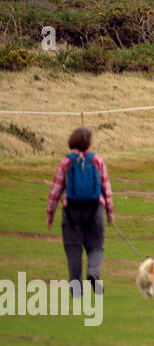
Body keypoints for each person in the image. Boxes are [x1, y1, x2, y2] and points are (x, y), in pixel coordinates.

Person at [46, 127, 114, 296]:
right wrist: (109, 212)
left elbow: (56, 190)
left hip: (71, 210)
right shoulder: (97, 160)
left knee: (73, 249)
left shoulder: (66, 161)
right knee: (96, 246)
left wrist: (50, 213)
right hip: (95, 208)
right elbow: (106, 188)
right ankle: (93, 272)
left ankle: (77, 291)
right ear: (89, 143)